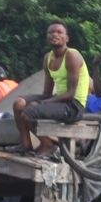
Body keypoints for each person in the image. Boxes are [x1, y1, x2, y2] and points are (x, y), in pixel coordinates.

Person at [12, 22, 89, 151]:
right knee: (18, 104)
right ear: (47, 37)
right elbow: (47, 92)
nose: (55, 35)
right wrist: (39, 102)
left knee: (29, 112)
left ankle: (47, 144)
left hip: (74, 105)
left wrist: (40, 104)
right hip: (60, 100)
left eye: (59, 32)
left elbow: (70, 93)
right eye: (51, 32)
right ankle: (25, 144)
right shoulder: (48, 58)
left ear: (67, 38)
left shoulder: (72, 55)